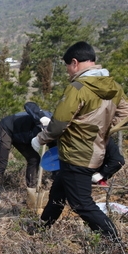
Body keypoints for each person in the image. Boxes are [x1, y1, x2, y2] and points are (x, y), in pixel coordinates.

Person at [31, 41, 128, 240]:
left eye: (67, 66)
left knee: (81, 204)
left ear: (75, 63)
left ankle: (114, 242)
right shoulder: (114, 86)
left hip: (77, 155)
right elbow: (125, 112)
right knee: (57, 194)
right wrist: (104, 129)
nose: (68, 71)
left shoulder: (77, 88)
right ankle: (39, 230)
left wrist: (40, 139)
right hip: (94, 151)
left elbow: (59, 123)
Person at [0, 102, 52, 200]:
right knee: (1, 161)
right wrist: (42, 117)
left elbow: (55, 157)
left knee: (34, 159)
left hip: (23, 137)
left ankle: (32, 190)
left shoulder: (58, 135)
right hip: (7, 128)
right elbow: (29, 105)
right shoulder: (46, 119)